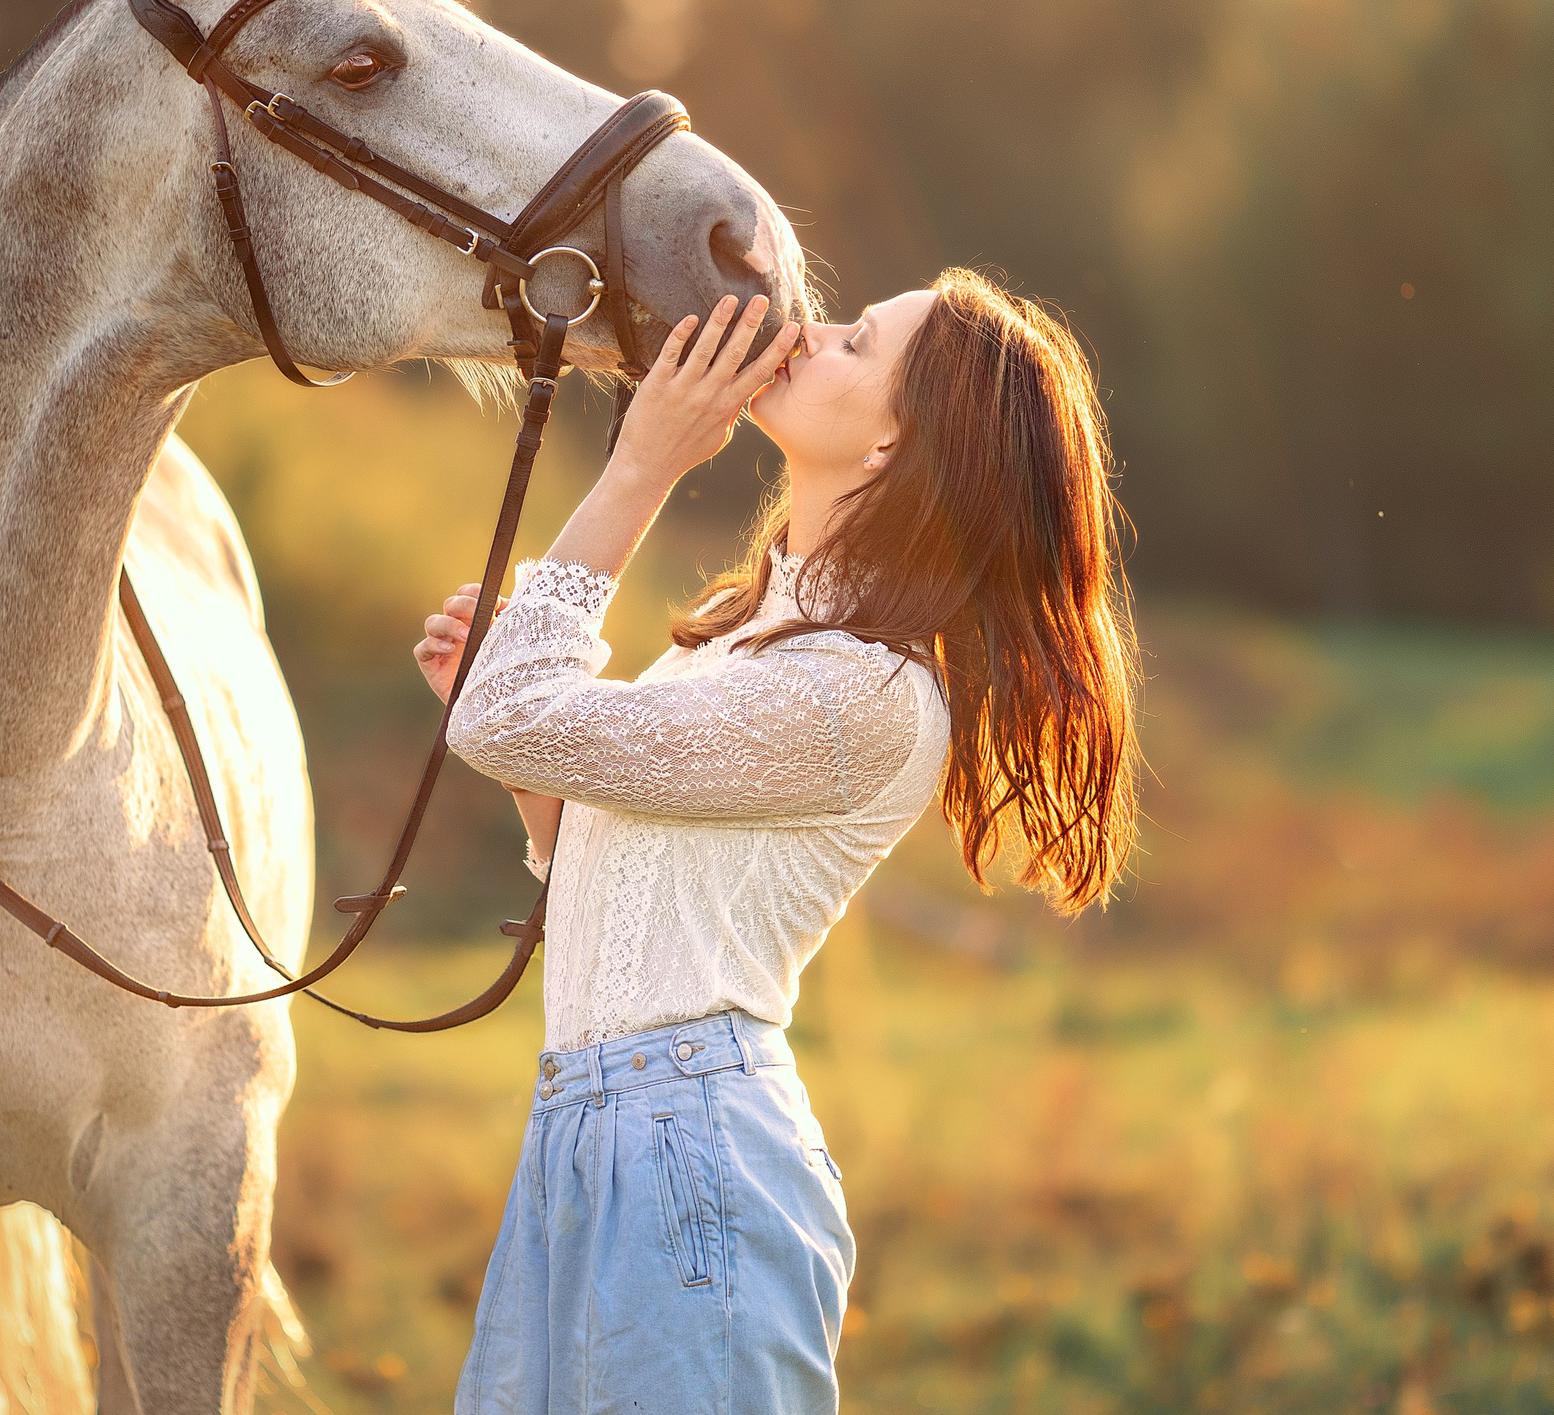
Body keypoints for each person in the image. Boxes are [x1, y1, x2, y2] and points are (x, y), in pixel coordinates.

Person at [414, 272, 1140, 1415]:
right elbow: (601, 859)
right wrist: (513, 731)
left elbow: (515, 720)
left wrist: (642, 465)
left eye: (856, 344)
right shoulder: (753, 639)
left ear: (900, 443)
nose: (809, 335)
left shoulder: (860, 694)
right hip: (589, 1140)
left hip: (687, 1159)